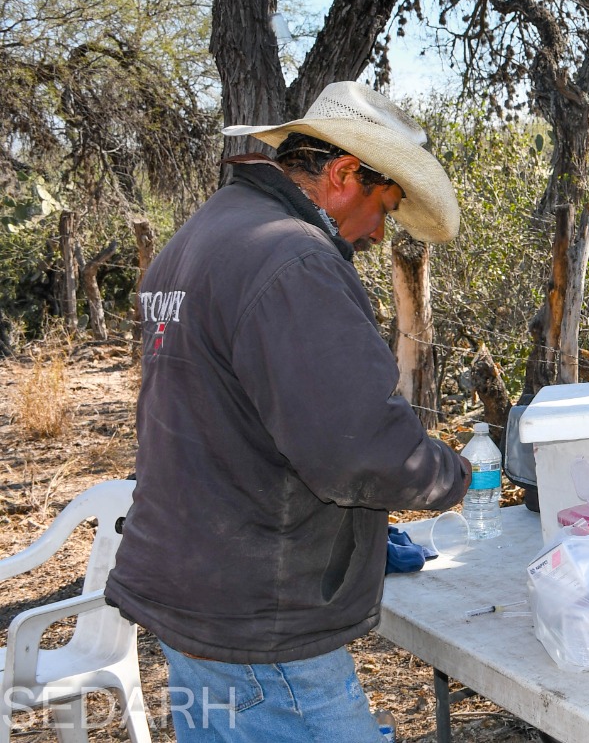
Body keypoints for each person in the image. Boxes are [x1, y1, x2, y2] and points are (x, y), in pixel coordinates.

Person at [106, 82, 470, 742]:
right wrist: (455, 475)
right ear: (341, 175)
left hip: (192, 593)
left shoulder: (203, 235)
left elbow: (238, 419)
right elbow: (357, 447)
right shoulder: (292, 257)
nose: (378, 232)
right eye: (383, 206)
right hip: (255, 617)